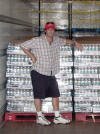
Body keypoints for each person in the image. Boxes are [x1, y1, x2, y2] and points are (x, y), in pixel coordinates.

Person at [19, 22, 82, 125]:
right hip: (38, 71)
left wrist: (75, 43)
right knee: (38, 95)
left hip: (51, 72)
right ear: (45, 30)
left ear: (54, 30)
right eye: (49, 29)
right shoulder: (37, 40)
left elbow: (66, 41)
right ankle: (39, 117)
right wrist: (32, 56)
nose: (51, 31)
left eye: (52, 29)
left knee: (55, 94)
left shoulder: (57, 40)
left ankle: (57, 117)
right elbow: (23, 46)